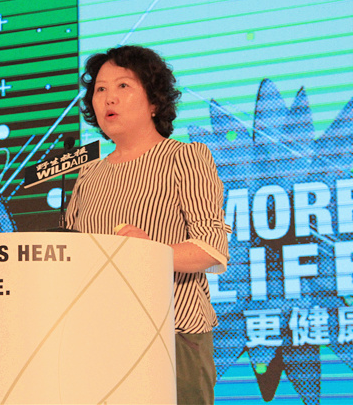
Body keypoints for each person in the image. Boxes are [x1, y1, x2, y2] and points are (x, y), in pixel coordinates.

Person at [65, 45, 231, 404]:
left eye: (123, 86)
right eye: (100, 89)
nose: (109, 98)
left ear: (154, 101)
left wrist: (150, 253)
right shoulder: (87, 173)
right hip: (99, 337)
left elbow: (211, 248)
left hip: (171, 332)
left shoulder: (185, 157)